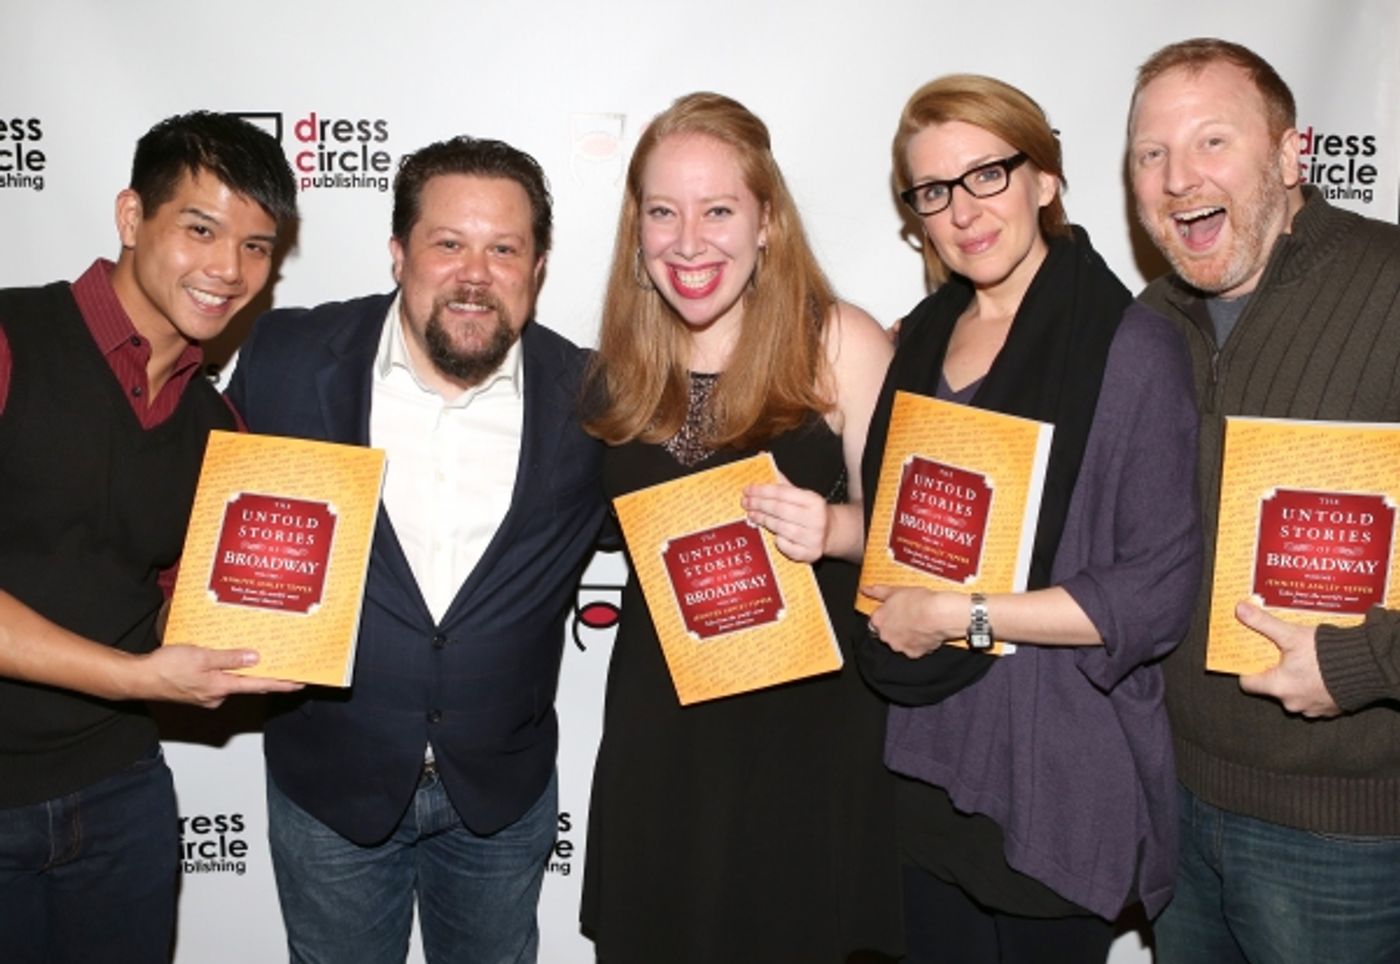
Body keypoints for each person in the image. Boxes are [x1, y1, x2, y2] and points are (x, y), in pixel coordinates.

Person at [225, 135, 605, 964]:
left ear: (537, 267)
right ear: (400, 254)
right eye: (448, 243)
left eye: (504, 248)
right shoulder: (288, 360)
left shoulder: (594, 398)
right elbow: (193, 510)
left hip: (499, 796)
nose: (476, 272)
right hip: (329, 787)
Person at [859, 75, 1201, 964]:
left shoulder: (1132, 350)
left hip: (1051, 773)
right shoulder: (924, 338)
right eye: (934, 191)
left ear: (1044, 178)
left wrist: (955, 615)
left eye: (987, 175)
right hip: (922, 756)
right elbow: (910, 532)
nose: (963, 211)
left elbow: (1153, 594)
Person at [579, 92, 901, 963]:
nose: (689, 240)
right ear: (636, 230)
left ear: (767, 222)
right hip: (663, 740)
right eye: (663, 212)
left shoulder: (839, 343)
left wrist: (835, 527)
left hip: (803, 744)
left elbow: (920, 552)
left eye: (719, 209)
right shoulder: (620, 372)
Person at [0, 111, 300, 964]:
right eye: (200, 229)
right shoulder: (11, 339)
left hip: (121, 794)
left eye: (255, 245)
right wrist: (135, 676)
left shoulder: (218, 424)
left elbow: (180, 608)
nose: (228, 269)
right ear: (133, 219)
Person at [1128, 38, 1400, 964]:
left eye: (1212, 142)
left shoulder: (1391, 287)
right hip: (1173, 799)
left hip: (1346, 837)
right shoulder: (1149, 322)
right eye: (1151, 154)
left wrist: (1368, 664)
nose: (1177, 178)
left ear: (1292, 155)